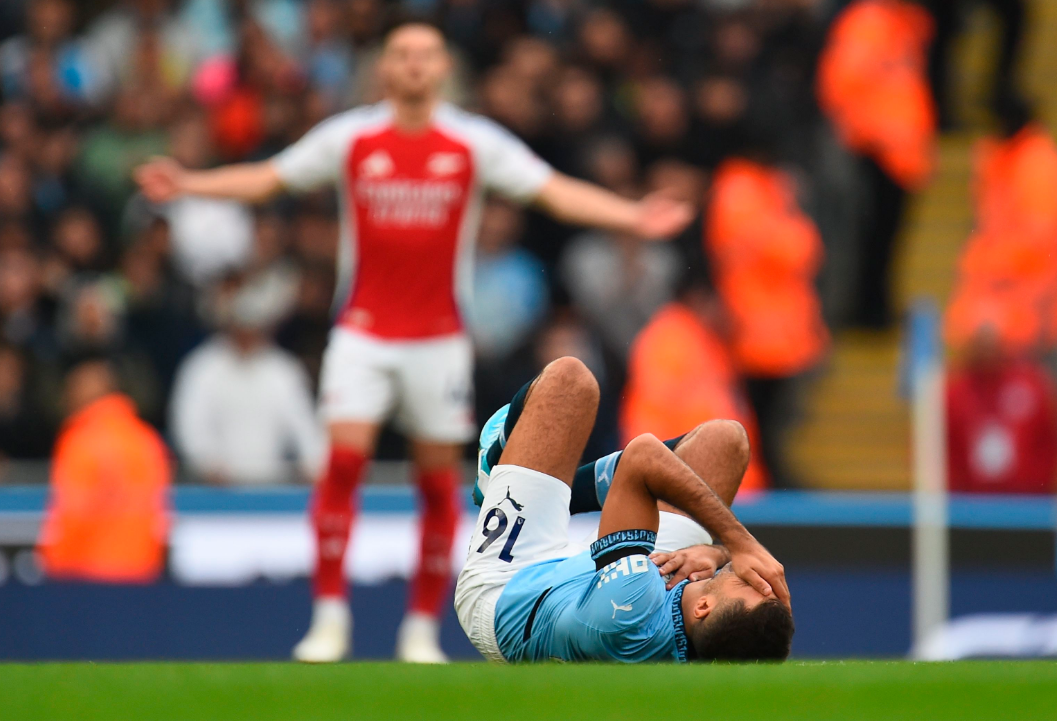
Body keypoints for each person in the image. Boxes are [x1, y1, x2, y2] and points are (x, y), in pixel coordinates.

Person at [134, 21, 692, 663]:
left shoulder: (471, 141)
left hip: (438, 339)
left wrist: (632, 215)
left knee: (434, 481)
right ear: (385, 68)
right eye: (403, 55)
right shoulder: (351, 137)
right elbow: (271, 178)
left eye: (426, 55)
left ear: (442, 67)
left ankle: (421, 629)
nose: (415, 65)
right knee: (341, 469)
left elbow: (552, 191)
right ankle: (329, 619)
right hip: (363, 332)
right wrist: (188, 184)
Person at [457, 357, 793, 663]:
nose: (757, 579)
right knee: (725, 442)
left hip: (512, 593)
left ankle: (501, 471)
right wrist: (715, 553)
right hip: (604, 585)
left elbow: (642, 456)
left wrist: (740, 544)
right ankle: (552, 491)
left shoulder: (632, 606)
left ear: (704, 607)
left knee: (570, 381)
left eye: (748, 587)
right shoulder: (703, 623)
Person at [170, 279, 324, 486]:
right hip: (216, 488)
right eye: (242, 326)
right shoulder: (203, 367)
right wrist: (207, 462)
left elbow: (304, 424)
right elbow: (190, 422)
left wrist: (314, 464)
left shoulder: (283, 369)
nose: (248, 334)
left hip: (272, 486)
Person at [37, 358, 171, 583]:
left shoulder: (79, 441)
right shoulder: (146, 440)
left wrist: (52, 568)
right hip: (140, 575)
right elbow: (160, 516)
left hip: (83, 576)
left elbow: (70, 516)